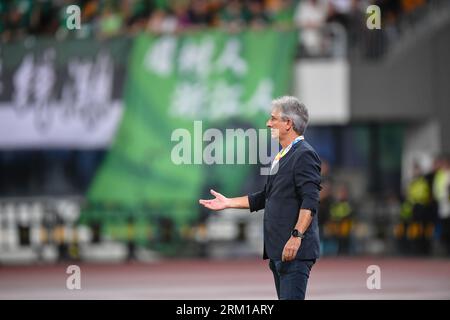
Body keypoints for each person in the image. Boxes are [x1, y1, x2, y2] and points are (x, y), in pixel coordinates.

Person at [199, 96, 322, 300]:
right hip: (279, 250)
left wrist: (296, 237)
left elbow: (310, 200)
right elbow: (266, 197)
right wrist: (228, 203)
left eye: (273, 119)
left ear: (288, 123)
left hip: (294, 249)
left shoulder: (303, 154)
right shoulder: (282, 155)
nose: (268, 123)